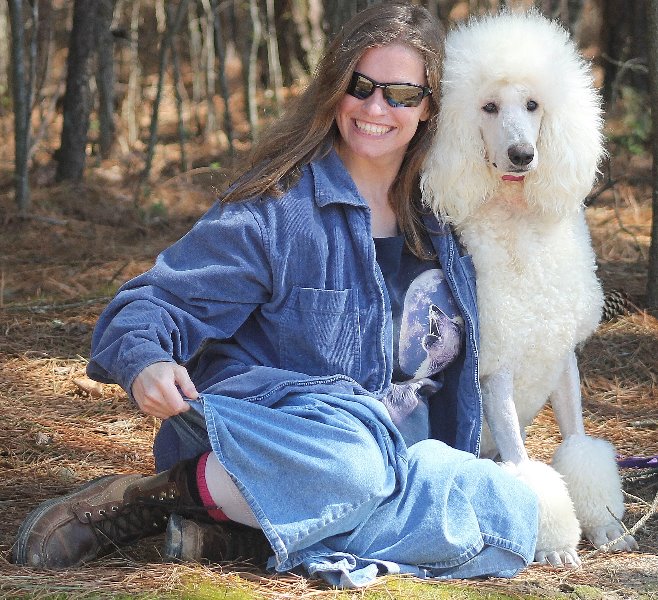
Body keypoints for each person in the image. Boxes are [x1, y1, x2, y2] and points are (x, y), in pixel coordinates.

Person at [12, 2, 539, 588]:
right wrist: (146, 361)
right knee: (354, 464)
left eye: (401, 95)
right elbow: (152, 303)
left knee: (513, 515)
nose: (375, 108)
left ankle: (247, 532)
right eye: (360, 86)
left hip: (406, 463)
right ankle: (167, 495)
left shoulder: (447, 218)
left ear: (430, 106)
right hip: (292, 443)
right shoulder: (277, 209)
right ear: (336, 86)